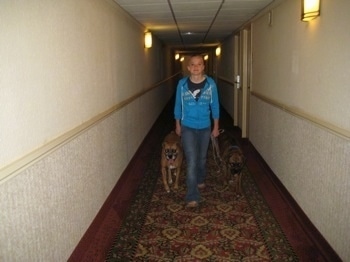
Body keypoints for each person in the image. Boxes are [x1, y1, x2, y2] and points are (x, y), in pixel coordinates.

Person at [174, 54, 220, 208]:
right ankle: (192, 196)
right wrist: (178, 124)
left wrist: (216, 126)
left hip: (205, 126)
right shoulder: (182, 84)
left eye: (199, 64)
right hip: (188, 126)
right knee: (192, 160)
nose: (195, 67)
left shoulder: (211, 84)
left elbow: (215, 106)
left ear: (203, 66)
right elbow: (178, 106)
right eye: (192, 64)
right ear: (188, 68)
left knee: (201, 158)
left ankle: (200, 179)